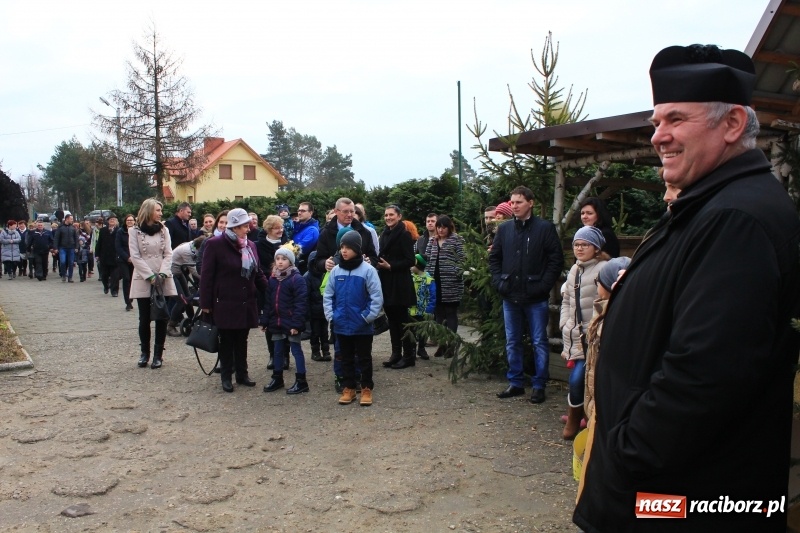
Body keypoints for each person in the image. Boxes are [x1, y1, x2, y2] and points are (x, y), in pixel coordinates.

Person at [574, 45, 800, 532]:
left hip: (679, 501)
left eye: (675, 119)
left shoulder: (736, 219)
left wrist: (625, 452)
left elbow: (706, 377)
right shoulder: (710, 204)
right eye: (656, 122)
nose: (659, 137)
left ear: (733, 124)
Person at [488, 186, 563, 403]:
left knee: (539, 341)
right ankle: (516, 383)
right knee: (512, 341)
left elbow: (555, 260)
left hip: (535, 297)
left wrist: (542, 286)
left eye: (518, 202)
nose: (514, 206)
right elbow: (495, 259)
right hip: (510, 295)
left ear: (530, 203)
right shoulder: (505, 229)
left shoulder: (544, 228)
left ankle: (539, 385)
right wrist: (499, 281)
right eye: (512, 202)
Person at [199, 208, 267, 393]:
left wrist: (271, 290)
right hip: (225, 301)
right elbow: (206, 276)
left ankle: (242, 374)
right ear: (235, 226)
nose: (249, 228)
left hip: (246, 301)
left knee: (242, 339)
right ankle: (226, 377)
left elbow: (257, 272)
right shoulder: (215, 244)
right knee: (227, 340)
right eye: (245, 225)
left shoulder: (250, 245)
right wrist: (205, 304)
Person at [323, 231, 383, 406]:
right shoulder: (336, 271)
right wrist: (332, 316)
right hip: (341, 323)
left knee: (364, 358)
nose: (344, 251)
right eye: (342, 247)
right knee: (345, 358)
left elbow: (376, 296)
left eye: (348, 247)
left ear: (357, 249)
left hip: (362, 325)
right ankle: (348, 388)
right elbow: (328, 295)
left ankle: (366, 388)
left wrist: (367, 317)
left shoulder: (368, 271)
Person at [559, 226, 608, 440]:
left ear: (596, 248)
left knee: (582, 378)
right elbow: (567, 300)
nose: (579, 248)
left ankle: (583, 419)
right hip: (576, 336)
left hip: (595, 336)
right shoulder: (574, 270)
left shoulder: (604, 268)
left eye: (584, 244)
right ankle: (577, 417)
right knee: (579, 378)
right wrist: (564, 323)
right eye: (576, 244)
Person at [129, 199, 177, 370]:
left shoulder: (164, 230)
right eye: (157, 210)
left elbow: (168, 254)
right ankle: (144, 353)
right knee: (144, 317)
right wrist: (149, 276)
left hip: (162, 276)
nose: (160, 213)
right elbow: (135, 256)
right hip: (143, 277)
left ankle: (158, 355)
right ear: (149, 211)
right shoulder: (134, 231)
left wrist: (163, 273)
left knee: (162, 317)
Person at [261, 245, 309, 394]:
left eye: (284, 259)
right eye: (278, 259)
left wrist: (296, 323)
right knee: (277, 351)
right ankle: (277, 377)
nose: (280, 262)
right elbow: (268, 302)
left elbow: (301, 303)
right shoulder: (273, 279)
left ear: (291, 262)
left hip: (291, 322)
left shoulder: (297, 279)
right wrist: (265, 320)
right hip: (277, 321)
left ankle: (301, 380)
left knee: (296, 350)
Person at [375, 205, 417, 369]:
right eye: (386, 215)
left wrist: (391, 265)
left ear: (399, 216)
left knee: (402, 321)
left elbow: (410, 261)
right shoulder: (384, 233)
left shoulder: (404, 235)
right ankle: (395, 353)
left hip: (399, 283)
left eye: (391, 215)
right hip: (387, 281)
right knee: (392, 320)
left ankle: (408, 356)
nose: (388, 217)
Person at [424, 215, 466, 359]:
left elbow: (462, 260)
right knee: (439, 314)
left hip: (451, 283)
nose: (441, 230)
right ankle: (442, 343)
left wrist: (454, 272)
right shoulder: (432, 241)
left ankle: (452, 344)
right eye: (439, 227)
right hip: (435, 283)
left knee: (451, 313)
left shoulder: (457, 240)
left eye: (444, 227)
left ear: (449, 227)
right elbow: (427, 259)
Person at [256, 215, 290, 371]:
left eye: (281, 227)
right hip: (267, 288)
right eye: (277, 228)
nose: (280, 230)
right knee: (270, 323)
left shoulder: (288, 244)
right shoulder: (259, 245)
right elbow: (259, 267)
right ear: (269, 230)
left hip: (286, 288)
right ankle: (272, 355)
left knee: (286, 321)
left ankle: (285, 356)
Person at [315, 197, 379, 273]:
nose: (349, 215)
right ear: (336, 211)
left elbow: (374, 257)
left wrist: (370, 261)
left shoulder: (364, 232)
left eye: (352, 211)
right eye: (345, 211)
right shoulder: (326, 233)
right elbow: (318, 260)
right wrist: (325, 264)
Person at [305, 250, 331, 362]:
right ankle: (315, 352)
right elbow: (305, 296)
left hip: (324, 310)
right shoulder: (307, 277)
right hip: (313, 311)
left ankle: (326, 351)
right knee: (315, 333)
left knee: (324, 332)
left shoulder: (326, 274)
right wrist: (307, 312)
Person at [409, 254, 436, 360]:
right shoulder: (410, 278)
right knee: (411, 331)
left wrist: (429, 310)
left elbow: (433, 296)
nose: (410, 267)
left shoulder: (429, 280)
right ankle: (411, 350)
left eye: (412, 265)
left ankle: (421, 348)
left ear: (417, 265)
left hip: (423, 311)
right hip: (410, 311)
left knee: (423, 331)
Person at [292, 201, 320, 274]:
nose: (299, 213)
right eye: (299, 210)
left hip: (303, 268)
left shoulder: (312, 230)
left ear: (310, 213)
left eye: (303, 211)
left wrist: (285, 250)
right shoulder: (298, 227)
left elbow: (300, 249)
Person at [95, 215, 120, 296]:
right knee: (104, 274)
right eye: (110, 220)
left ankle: (114, 291)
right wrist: (97, 254)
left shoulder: (119, 231)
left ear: (116, 221)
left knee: (115, 276)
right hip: (104, 256)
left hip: (115, 256)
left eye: (114, 219)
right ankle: (106, 286)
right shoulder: (103, 230)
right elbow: (99, 243)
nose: (112, 221)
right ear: (108, 221)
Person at [116, 214, 136, 311]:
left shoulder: (137, 231)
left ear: (134, 221)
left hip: (135, 259)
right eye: (128, 220)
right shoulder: (120, 232)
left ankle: (131, 296)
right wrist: (127, 257)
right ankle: (128, 302)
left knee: (133, 280)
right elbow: (118, 247)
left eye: (131, 220)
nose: (129, 222)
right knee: (126, 279)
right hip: (123, 259)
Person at [53, 214, 79, 282]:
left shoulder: (73, 228)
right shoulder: (60, 227)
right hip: (62, 248)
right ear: (67, 219)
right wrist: (55, 248)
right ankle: (63, 275)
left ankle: (70, 277)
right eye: (71, 219)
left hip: (71, 247)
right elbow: (56, 238)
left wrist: (76, 247)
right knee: (63, 261)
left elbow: (76, 238)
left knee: (71, 262)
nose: (72, 220)